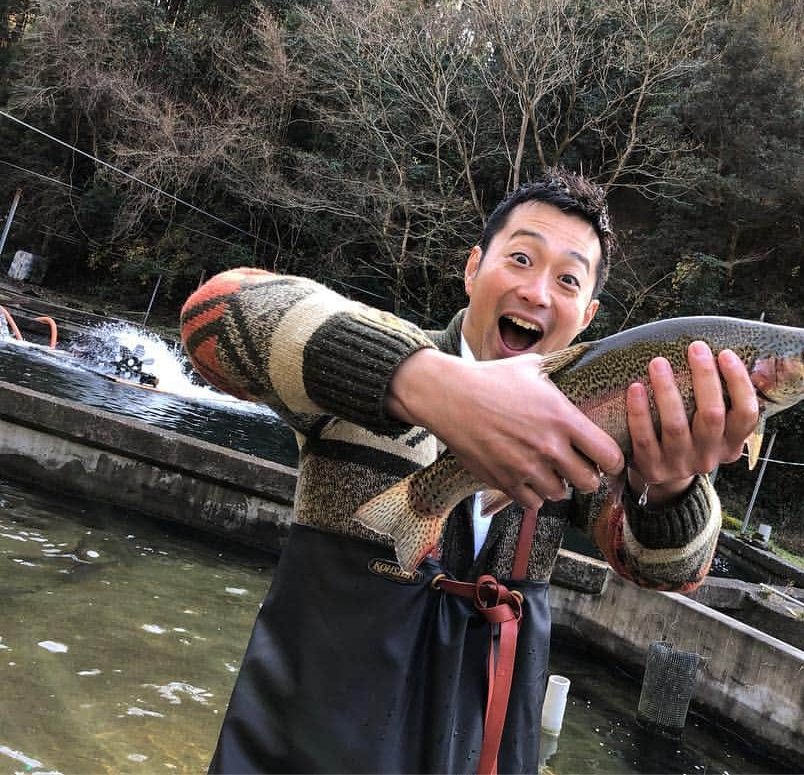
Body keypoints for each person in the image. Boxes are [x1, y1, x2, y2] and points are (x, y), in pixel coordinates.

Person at [180, 168, 759, 774]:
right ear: (472, 269)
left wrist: (671, 485)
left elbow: (673, 568)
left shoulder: (588, 425)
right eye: (520, 258)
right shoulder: (373, 359)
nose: (538, 292)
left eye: (566, 278)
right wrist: (424, 383)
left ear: (585, 317)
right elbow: (214, 317)